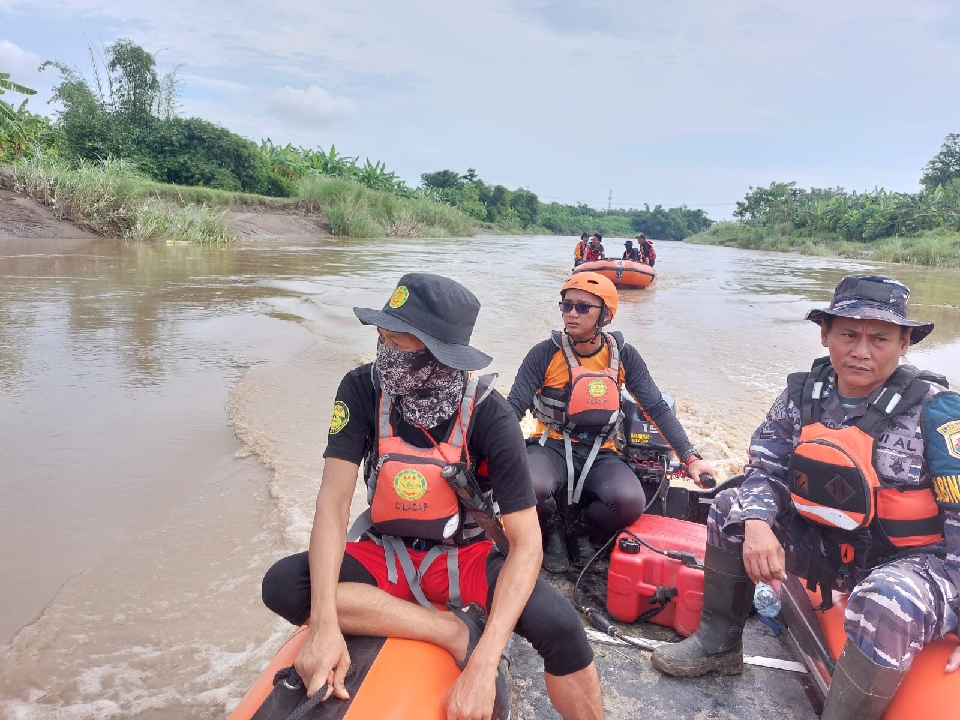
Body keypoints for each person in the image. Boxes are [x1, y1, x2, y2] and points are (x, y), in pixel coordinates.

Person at [261, 273, 604, 720]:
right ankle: (450, 630)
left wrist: (483, 664)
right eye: (381, 337)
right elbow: (333, 503)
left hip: (465, 555)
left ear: (438, 357)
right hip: (385, 551)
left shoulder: (491, 415)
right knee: (284, 586)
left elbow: (527, 544)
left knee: (561, 627)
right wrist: (324, 626)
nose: (383, 353)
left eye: (397, 345)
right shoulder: (361, 389)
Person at [651, 274, 960, 720]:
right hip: (829, 548)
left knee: (887, 596)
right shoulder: (803, 395)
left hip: (908, 562)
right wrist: (758, 525)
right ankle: (718, 645)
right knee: (730, 508)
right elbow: (763, 467)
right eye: (849, 334)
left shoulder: (938, 412)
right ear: (825, 335)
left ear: (904, 342)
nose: (861, 351)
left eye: (879, 338)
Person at [507, 272, 717, 572]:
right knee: (526, 484)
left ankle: (579, 530)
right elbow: (514, 407)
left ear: (605, 314)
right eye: (567, 305)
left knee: (629, 502)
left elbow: (656, 407)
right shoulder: (544, 353)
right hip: (550, 445)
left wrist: (691, 457)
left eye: (583, 307)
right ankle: (552, 529)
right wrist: (485, 449)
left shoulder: (624, 356)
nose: (572, 314)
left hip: (601, 450)